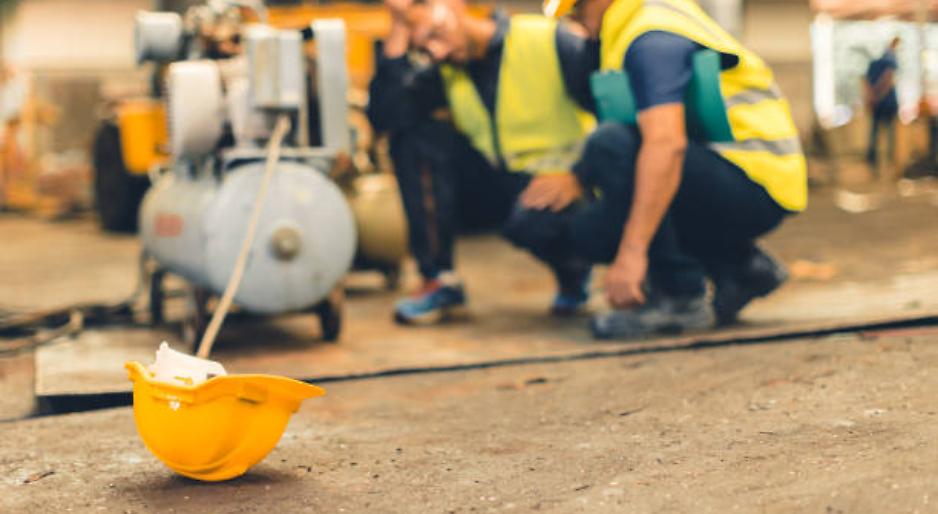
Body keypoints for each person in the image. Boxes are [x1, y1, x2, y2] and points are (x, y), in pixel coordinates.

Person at [533, 0, 807, 339]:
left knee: (611, 144)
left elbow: (666, 145)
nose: (577, 23)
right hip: (739, 178)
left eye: (578, 9)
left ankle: (679, 297)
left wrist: (632, 254)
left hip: (755, 182)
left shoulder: (650, 37)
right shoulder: (635, 26)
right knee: (590, 230)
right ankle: (741, 268)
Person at [367, 0, 598, 324]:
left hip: (567, 184)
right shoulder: (447, 67)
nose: (438, 51)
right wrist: (399, 28)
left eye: (436, 33)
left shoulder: (548, 39)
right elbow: (386, 116)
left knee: (534, 222)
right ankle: (439, 278)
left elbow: (613, 115)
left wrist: (579, 176)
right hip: (500, 184)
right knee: (415, 134)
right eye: (426, 46)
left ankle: (574, 272)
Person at [864, 37, 900, 170]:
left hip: (877, 105)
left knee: (875, 133)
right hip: (886, 104)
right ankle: (889, 162)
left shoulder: (872, 65)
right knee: (889, 135)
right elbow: (888, 80)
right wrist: (878, 96)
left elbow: (866, 83)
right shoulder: (890, 62)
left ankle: (873, 161)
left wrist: (871, 98)